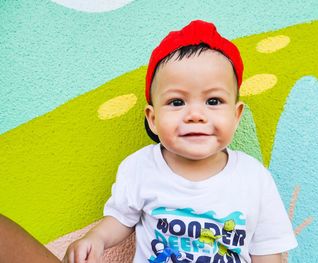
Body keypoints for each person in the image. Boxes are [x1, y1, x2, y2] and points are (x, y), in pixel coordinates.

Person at [63, 20, 297, 263]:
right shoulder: (140, 168)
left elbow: (268, 252)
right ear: (153, 119)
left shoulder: (254, 178)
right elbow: (120, 218)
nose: (195, 115)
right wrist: (96, 239)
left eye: (213, 101)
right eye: (177, 102)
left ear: (236, 115)